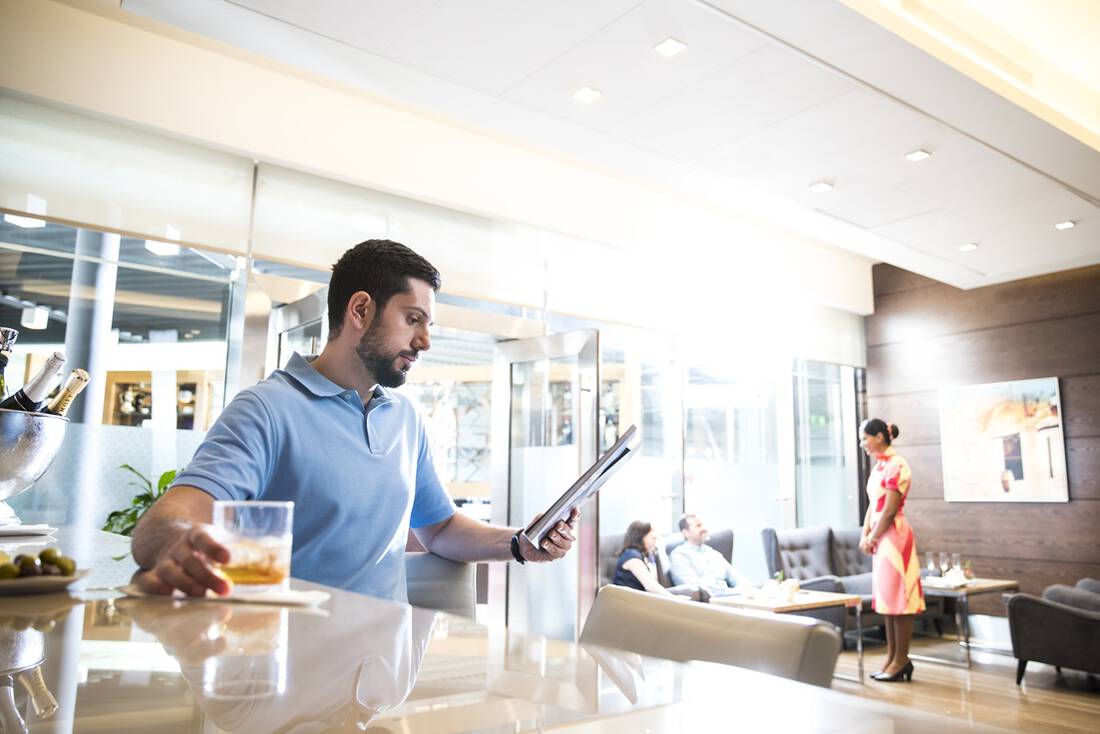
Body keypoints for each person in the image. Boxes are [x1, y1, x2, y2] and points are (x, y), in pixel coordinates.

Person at [131, 239, 578, 601]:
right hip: (285, 673)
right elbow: (162, 526)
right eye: (413, 319)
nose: (424, 341)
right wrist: (182, 544)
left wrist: (521, 543)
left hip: (377, 685)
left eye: (428, 325)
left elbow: (439, 528)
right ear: (360, 310)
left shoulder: (404, 418)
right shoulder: (265, 410)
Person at [859, 418, 925, 683]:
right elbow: (873, 505)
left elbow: (888, 510)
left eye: (865, 438)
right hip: (880, 539)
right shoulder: (879, 467)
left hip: (894, 538)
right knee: (887, 600)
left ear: (878, 437)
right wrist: (866, 534)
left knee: (901, 599)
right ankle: (892, 657)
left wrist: (873, 537)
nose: (862, 443)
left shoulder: (898, 464)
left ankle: (902, 659)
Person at [668, 513, 750, 597]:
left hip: (731, 598)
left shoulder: (713, 553)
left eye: (703, 525)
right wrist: (736, 593)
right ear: (686, 533)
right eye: (698, 526)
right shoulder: (679, 556)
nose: (704, 528)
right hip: (707, 604)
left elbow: (737, 578)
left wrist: (747, 590)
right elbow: (696, 589)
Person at [611, 521, 671, 595]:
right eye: (650, 535)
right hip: (630, 602)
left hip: (643, 598)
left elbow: (658, 581)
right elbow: (650, 586)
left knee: (686, 592)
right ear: (639, 537)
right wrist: (674, 599)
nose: (654, 538)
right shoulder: (631, 556)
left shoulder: (646, 555)